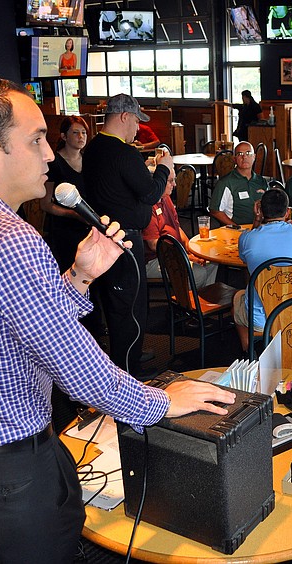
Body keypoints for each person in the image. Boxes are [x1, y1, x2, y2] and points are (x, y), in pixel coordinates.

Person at [0, 77, 234, 563]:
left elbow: (7, 327)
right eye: (36, 139)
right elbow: (80, 372)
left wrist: (80, 276)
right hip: (9, 480)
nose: (49, 154)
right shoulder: (10, 240)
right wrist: (162, 401)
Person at [83, 93, 173, 374]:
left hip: (101, 236)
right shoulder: (124, 152)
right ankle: (129, 372)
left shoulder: (93, 148)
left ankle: (126, 358)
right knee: (130, 309)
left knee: (114, 305)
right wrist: (163, 169)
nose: (137, 128)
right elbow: (151, 193)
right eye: (136, 121)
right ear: (124, 117)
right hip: (125, 241)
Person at [232, 188, 292, 351]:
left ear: (261, 211)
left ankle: (249, 348)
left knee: (237, 297)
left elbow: (244, 258)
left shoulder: (247, 238)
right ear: (287, 212)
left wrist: (257, 219)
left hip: (261, 319)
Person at [143, 167, 218, 289]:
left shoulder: (166, 198)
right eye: (170, 181)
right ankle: (188, 299)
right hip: (155, 259)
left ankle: (201, 297)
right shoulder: (148, 207)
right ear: (157, 183)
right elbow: (155, 245)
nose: (175, 184)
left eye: (175, 180)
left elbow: (177, 227)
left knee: (212, 261)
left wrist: (191, 250)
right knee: (199, 274)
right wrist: (186, 257)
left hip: (175, 252)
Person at [40, 115, 91, 271]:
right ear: (64, 136)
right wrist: (74, 214)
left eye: (84, 132)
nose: (81, 137)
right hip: (63, 229)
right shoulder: (54, 163)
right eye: (75, 132)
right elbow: (45, 204)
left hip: (88, 225)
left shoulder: (89, 160)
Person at [209, 140, 268, 226]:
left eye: (248, 153)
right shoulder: (225, 183)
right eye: (240, 154)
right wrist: (236, 227)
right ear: (234, 159)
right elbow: (215, 211)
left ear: (254, 157)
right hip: (237, 230)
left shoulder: (262, 181)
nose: (244, 157)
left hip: (261, 229)